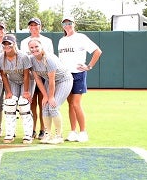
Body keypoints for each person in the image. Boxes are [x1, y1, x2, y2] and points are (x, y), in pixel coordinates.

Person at [58, 15, 103, 143]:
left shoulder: (81, 37)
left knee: (76, 104)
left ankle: (83, 132)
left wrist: (89, 66)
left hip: (78, 74)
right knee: (70, 105)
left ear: (74, 23)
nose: (67, 25)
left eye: (69, 23)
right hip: (65, 76)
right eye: (65, 23)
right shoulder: (62, 40)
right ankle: (73, 131)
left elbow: (97, 51)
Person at [27, 37, 73, 144]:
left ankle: (59, 136)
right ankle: (47, 134)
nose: (34, 49)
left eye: (36, 46)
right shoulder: (31, 60)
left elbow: (52, 80)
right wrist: (45, 96)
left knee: (53, 106)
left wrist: (50, 97)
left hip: (63, 80)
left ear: (41, 46)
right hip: (48, 81)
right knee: (45, 107)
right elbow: (38, 79)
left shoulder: (49, 59)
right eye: (31, 48)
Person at [20, 17, 55, 141]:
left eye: (36, 25)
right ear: (29, 27)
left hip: (44, 75)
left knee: (43, 103)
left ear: (40, 27)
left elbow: (50, 58)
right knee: (32, 104)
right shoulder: (24, 42)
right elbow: (24, 60)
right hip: (30, 75)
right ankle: (32, 129)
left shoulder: (47, 41)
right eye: (31, 25)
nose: (34, 28)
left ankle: (43, 129)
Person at [0, 34, 34, 143]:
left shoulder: (23, 56)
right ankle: (10, 133)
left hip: (27, 81)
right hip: (12, 80)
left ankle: (28, 134)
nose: (7, 46)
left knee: (23, 103)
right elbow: (3, 75)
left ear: (14, 44)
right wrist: (8, 91)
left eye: (9, 44)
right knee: (9, 103)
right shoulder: (0, 58)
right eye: (4, 44)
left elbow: (27, 75)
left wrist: (26, 92)